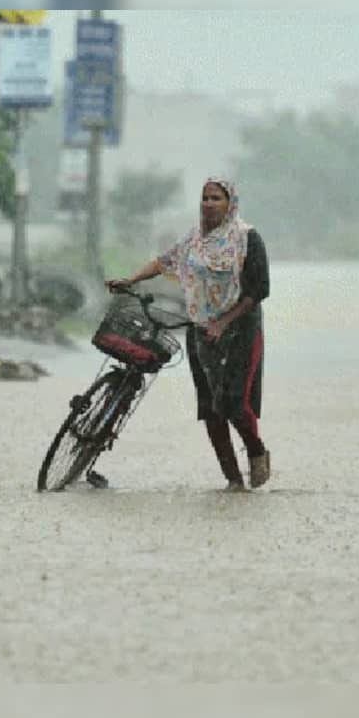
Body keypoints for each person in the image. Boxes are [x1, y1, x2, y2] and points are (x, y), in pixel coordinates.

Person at [106, 176, 271, 491]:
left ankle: (256, 450)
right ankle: (234, 482)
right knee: (210, 408)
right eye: (205, 198)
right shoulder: (193, 240)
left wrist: (223, 323)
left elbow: (258, 290)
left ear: (230, 204)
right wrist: (131, 280)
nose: (208, 204)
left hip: (240, 329)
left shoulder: (248, 238)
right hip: (201, 329)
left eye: (216, 198)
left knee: (235, 403)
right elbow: (164, 261)